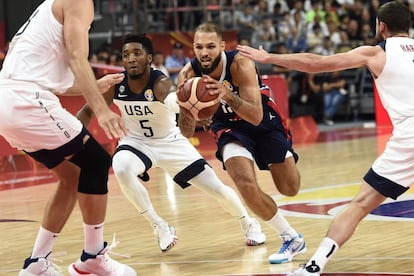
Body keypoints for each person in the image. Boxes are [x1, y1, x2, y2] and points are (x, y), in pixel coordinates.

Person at [236, 1, 413, 275]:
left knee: (360, 205)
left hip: (409, 137)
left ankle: (315, 266)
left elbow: (316, 63)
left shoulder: (376, 53)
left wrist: (270, 58)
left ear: (381, 26)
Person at [76, 33, 266, 253]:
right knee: (121, 166)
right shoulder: (115, 84)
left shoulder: (160, 82)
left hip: (170, 143)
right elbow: (88, 111)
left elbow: (174, 100)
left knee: (217, 190)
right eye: (126, 54)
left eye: (137, 53)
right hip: (135, 143)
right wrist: (73, 139)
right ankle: (159, 225)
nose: (131, 58)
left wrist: (191, 106)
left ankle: (248, 222)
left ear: (149, 58)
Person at [0, 0, 136, 275]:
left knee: (72, 176)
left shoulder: (49, 7)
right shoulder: (78, 1)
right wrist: (102, 110)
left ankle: (36, 264)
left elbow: (54, 79)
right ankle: (93, 258)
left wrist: (94, 87)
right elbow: (77, 57)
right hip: (27, 99)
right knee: (96, 161)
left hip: (9, 100)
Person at [177, 22, 306, 264]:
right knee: (245, 184)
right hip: (228, 127)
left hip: (263, 122)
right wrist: (186, 108)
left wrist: (226, 95)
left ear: (222, 46)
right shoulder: (187, 76)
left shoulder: (240, 64)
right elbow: (185, 131)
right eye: (199, 47)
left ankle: (285, 163)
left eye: (210, 46)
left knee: (290, 188)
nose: (204, 53)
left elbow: (255, 116)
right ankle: (291, 237)